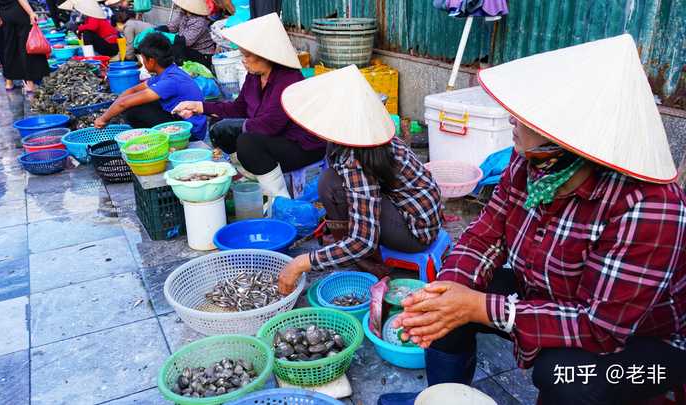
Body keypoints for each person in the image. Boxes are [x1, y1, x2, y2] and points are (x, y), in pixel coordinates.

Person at [391, 35, 686, 404]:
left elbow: (600, 328)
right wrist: (447, 296)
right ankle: (444, 396)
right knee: (444, 309)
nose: (513, 120)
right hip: (546, 291)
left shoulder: (650, 207)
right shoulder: (531, 162)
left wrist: (478, 306)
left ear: (567, 141)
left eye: (528, 117)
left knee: (563, 376)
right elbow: (485, 236)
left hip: (642, 341)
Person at [275, 65, 442, 288]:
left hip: (416, 231)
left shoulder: (356, 158)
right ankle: (346, 249)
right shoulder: (360, 136)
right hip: (412, 210)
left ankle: (364, 262)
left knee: (331, 184)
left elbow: (364, 241)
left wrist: (301, 263)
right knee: (330, 180)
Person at [172, 13, 325, 204]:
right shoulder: (254, 76)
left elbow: (271, 125)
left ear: (267, 55)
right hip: (271, 138)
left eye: (247, 55)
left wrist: (235, 127)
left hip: (300, 146)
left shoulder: (289, 80)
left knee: (247, 142)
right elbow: (240, 107)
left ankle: (279, 200)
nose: (243, 60)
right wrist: (200, 107)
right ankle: (256, 175)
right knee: (219, 124)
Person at [95, 32, 207, 140]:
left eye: (143, 59)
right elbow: (132, 91)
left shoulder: (171, 80)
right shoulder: (167, 71)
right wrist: (113, 108)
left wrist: (103, 119)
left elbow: (124, 103)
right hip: (178, 118)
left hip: (190, 132)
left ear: (151, 61)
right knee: (136, 102)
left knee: (132, 111)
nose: (142, 62)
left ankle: (157, 141)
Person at [0, 0, 49, 92]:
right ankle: (30, 83)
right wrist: (31, 13)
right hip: (19, 11)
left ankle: (9, 82)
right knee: (26, 46)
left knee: (9, 46)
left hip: (4, 13)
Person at [164, 0, 215, 67]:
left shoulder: (200, 21)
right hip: (189, 50)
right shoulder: (184, 14)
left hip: (202, 55)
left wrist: (166, 36)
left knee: (174, 49)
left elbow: (186, 41)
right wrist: (158, 29)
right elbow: (173, 27)